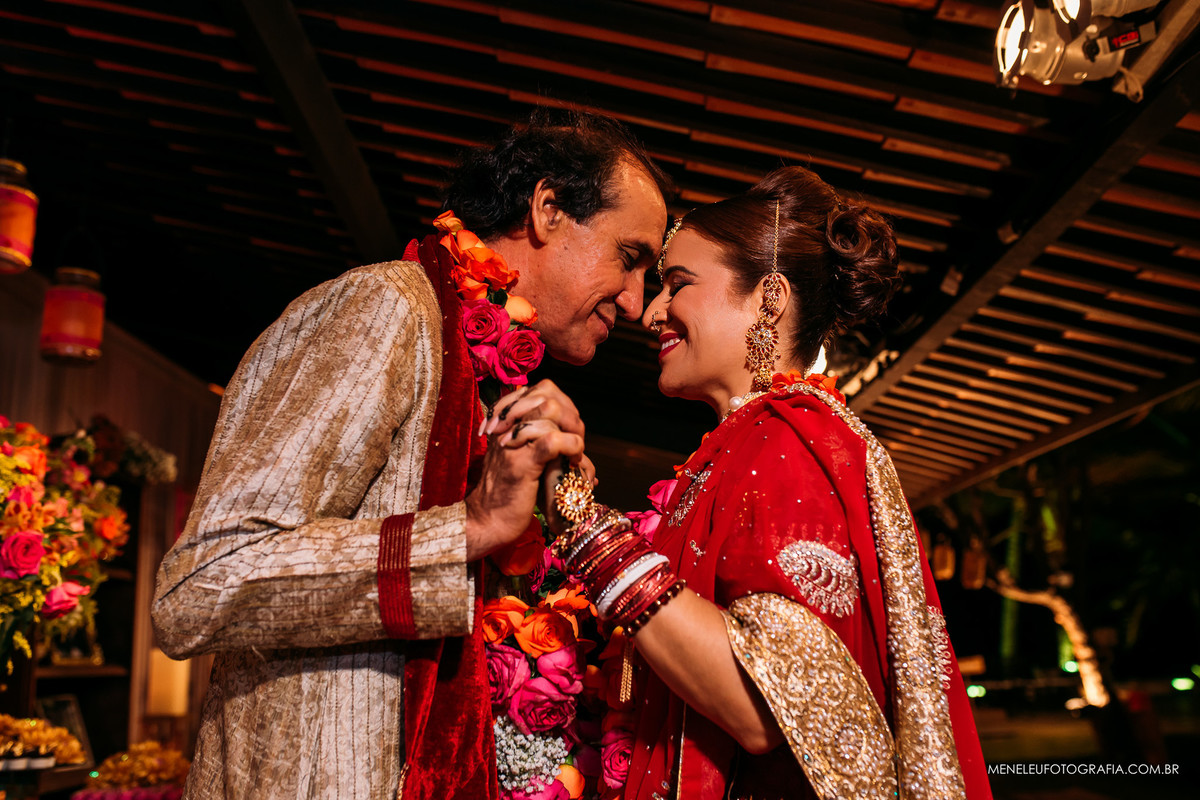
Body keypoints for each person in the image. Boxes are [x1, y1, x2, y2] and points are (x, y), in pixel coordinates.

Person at [150, 110, 670, 800]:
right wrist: (470, 528)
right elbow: (201, 586)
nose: (638, 303)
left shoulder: (490, 380)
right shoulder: (384, 310)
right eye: (628, 258)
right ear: (546, 209)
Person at [527, 166, 991, 798]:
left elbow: (763, 704)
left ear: (768, 297)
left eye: (678, 284)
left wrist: (580, 524)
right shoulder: (744, 444)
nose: (651, 312)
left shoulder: (786, 439)